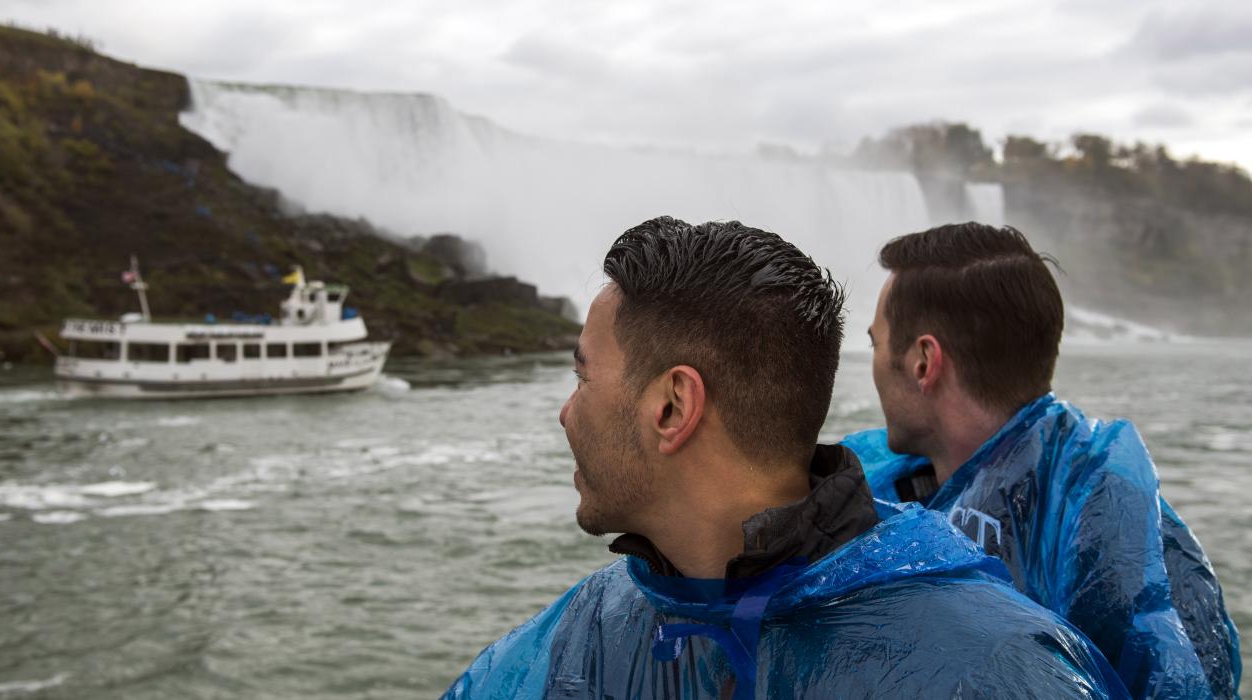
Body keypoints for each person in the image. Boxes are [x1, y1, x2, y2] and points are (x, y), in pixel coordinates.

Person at [443, 216, 1126, 699]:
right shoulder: (587, 633)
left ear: (672, 407)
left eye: (583, 376)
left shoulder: (998, 670)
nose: (566, 411)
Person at [843, 222, 1241, 699]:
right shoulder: (1102, 511)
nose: (873, 362)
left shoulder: (1106, 532)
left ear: (924, 362)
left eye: (875, 343)